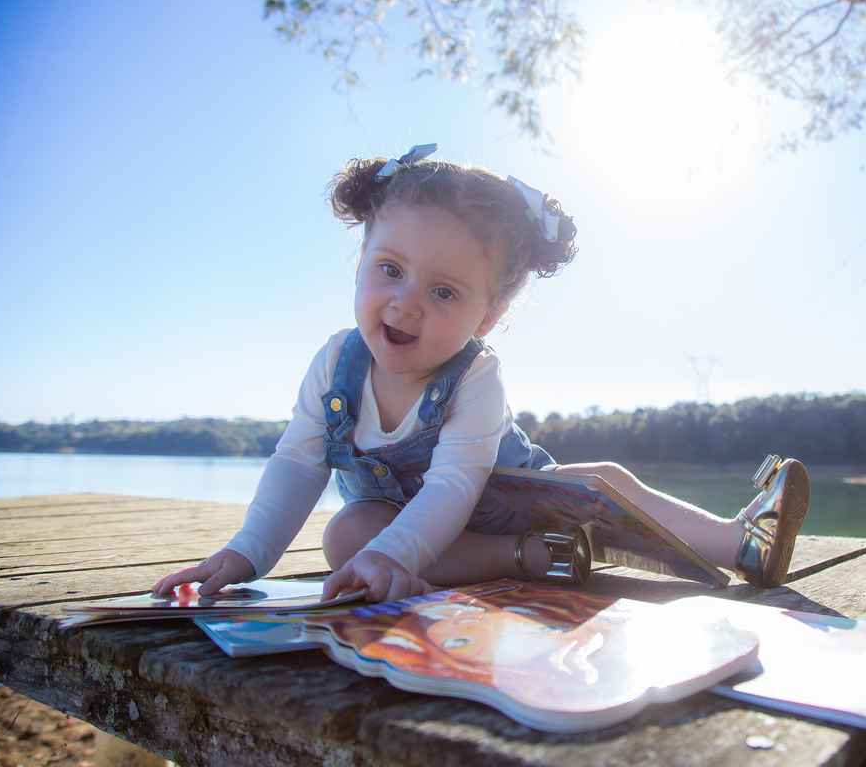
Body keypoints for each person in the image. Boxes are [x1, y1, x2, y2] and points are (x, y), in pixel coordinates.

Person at [153, 144, 810, 604]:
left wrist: (399, 556)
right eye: (390, 269)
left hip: (508, 496)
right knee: (348, 534)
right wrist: (246, 554)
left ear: (487, 316)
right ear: (359, 262)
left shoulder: (476, 376)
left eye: (445, 292)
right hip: (433, 532)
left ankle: (739, 542)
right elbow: (298, 464)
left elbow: (452, 485)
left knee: (603, 482)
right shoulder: (335, 366)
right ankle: (532, 556)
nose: (407, 300)